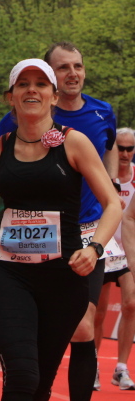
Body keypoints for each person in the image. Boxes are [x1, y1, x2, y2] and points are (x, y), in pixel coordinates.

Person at [0, 58, 121, 400]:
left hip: (63, 277)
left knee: (39, 386)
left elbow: (112, 204)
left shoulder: (74, 143)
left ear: (53, 96)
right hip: (8, 274)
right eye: (23, 84)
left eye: (41, 84)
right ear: (11, 97)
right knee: (22, 375)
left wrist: (94, 249)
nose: (32, 90)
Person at [0, 42, 119, 401]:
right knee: (31, 349)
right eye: (63, 68)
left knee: (83, 327)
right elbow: (0, 172)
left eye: (78, 66)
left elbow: (109, 149)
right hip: (27, 244)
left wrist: (108, 183)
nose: (73, 73)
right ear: (52, 78)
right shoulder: (18, 118)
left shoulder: (102, 112)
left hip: (86, 234)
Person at [93, 127, 135, 390]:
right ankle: (93, 366)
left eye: (130, 149)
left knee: (131, 305)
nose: (125, 154)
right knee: (98, 313)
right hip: (104, 250)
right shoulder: (101, 175)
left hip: (128, 251)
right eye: (121, 148)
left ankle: (121, 368)